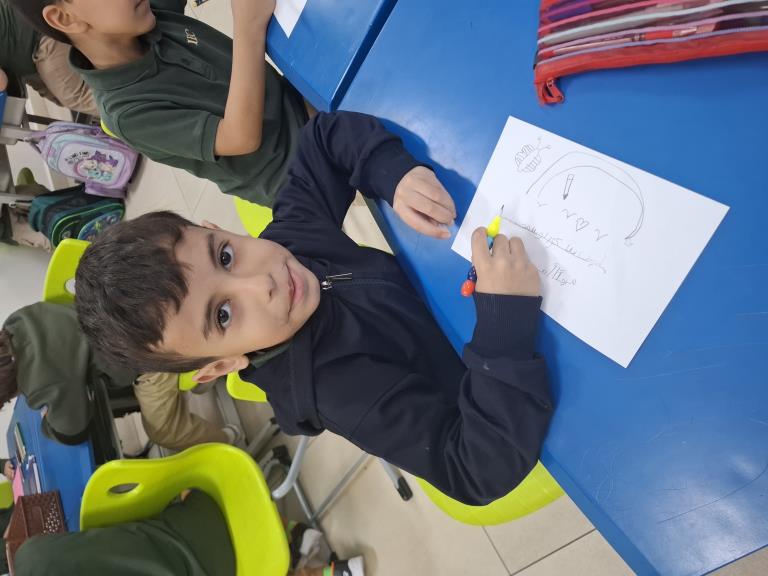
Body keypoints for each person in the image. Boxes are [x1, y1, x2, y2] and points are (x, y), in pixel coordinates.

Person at [74, 112, 554, 505]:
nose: (261, 283)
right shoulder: (337, 390)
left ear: (214, 228)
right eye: (223, 315)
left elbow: (322, 140)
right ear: (221, 365)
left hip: (472, 309)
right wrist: (503, 328)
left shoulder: (290, 245)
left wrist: (393, 175)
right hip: (511, 388)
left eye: (225, 256)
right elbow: (472, 468)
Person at [11, 0, 311, 206]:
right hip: (301, 170)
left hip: (302, 99)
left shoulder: (144, 14)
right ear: (65, 18)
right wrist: (249, 28)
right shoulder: (126, 113)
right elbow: (240, 137)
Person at [0, 302, 238, 450]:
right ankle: (206, 367)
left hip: (153, 356)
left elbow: (73, 432)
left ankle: (227, 438)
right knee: (107, 384)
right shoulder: (15, 322)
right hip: (138, 310)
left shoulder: (38, 381)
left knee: (163, 431)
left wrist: (47, 424)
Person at [13, 490, 364, 576]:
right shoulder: (29, 553)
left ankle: (330, 572)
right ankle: (289, 534)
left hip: (220, 568)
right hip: (203, 508)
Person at [0, 0, 97, 115]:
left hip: (36, 33)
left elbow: (1, 82)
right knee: (56, 96)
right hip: (24, 53)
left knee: (74, 96)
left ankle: (116, 112)